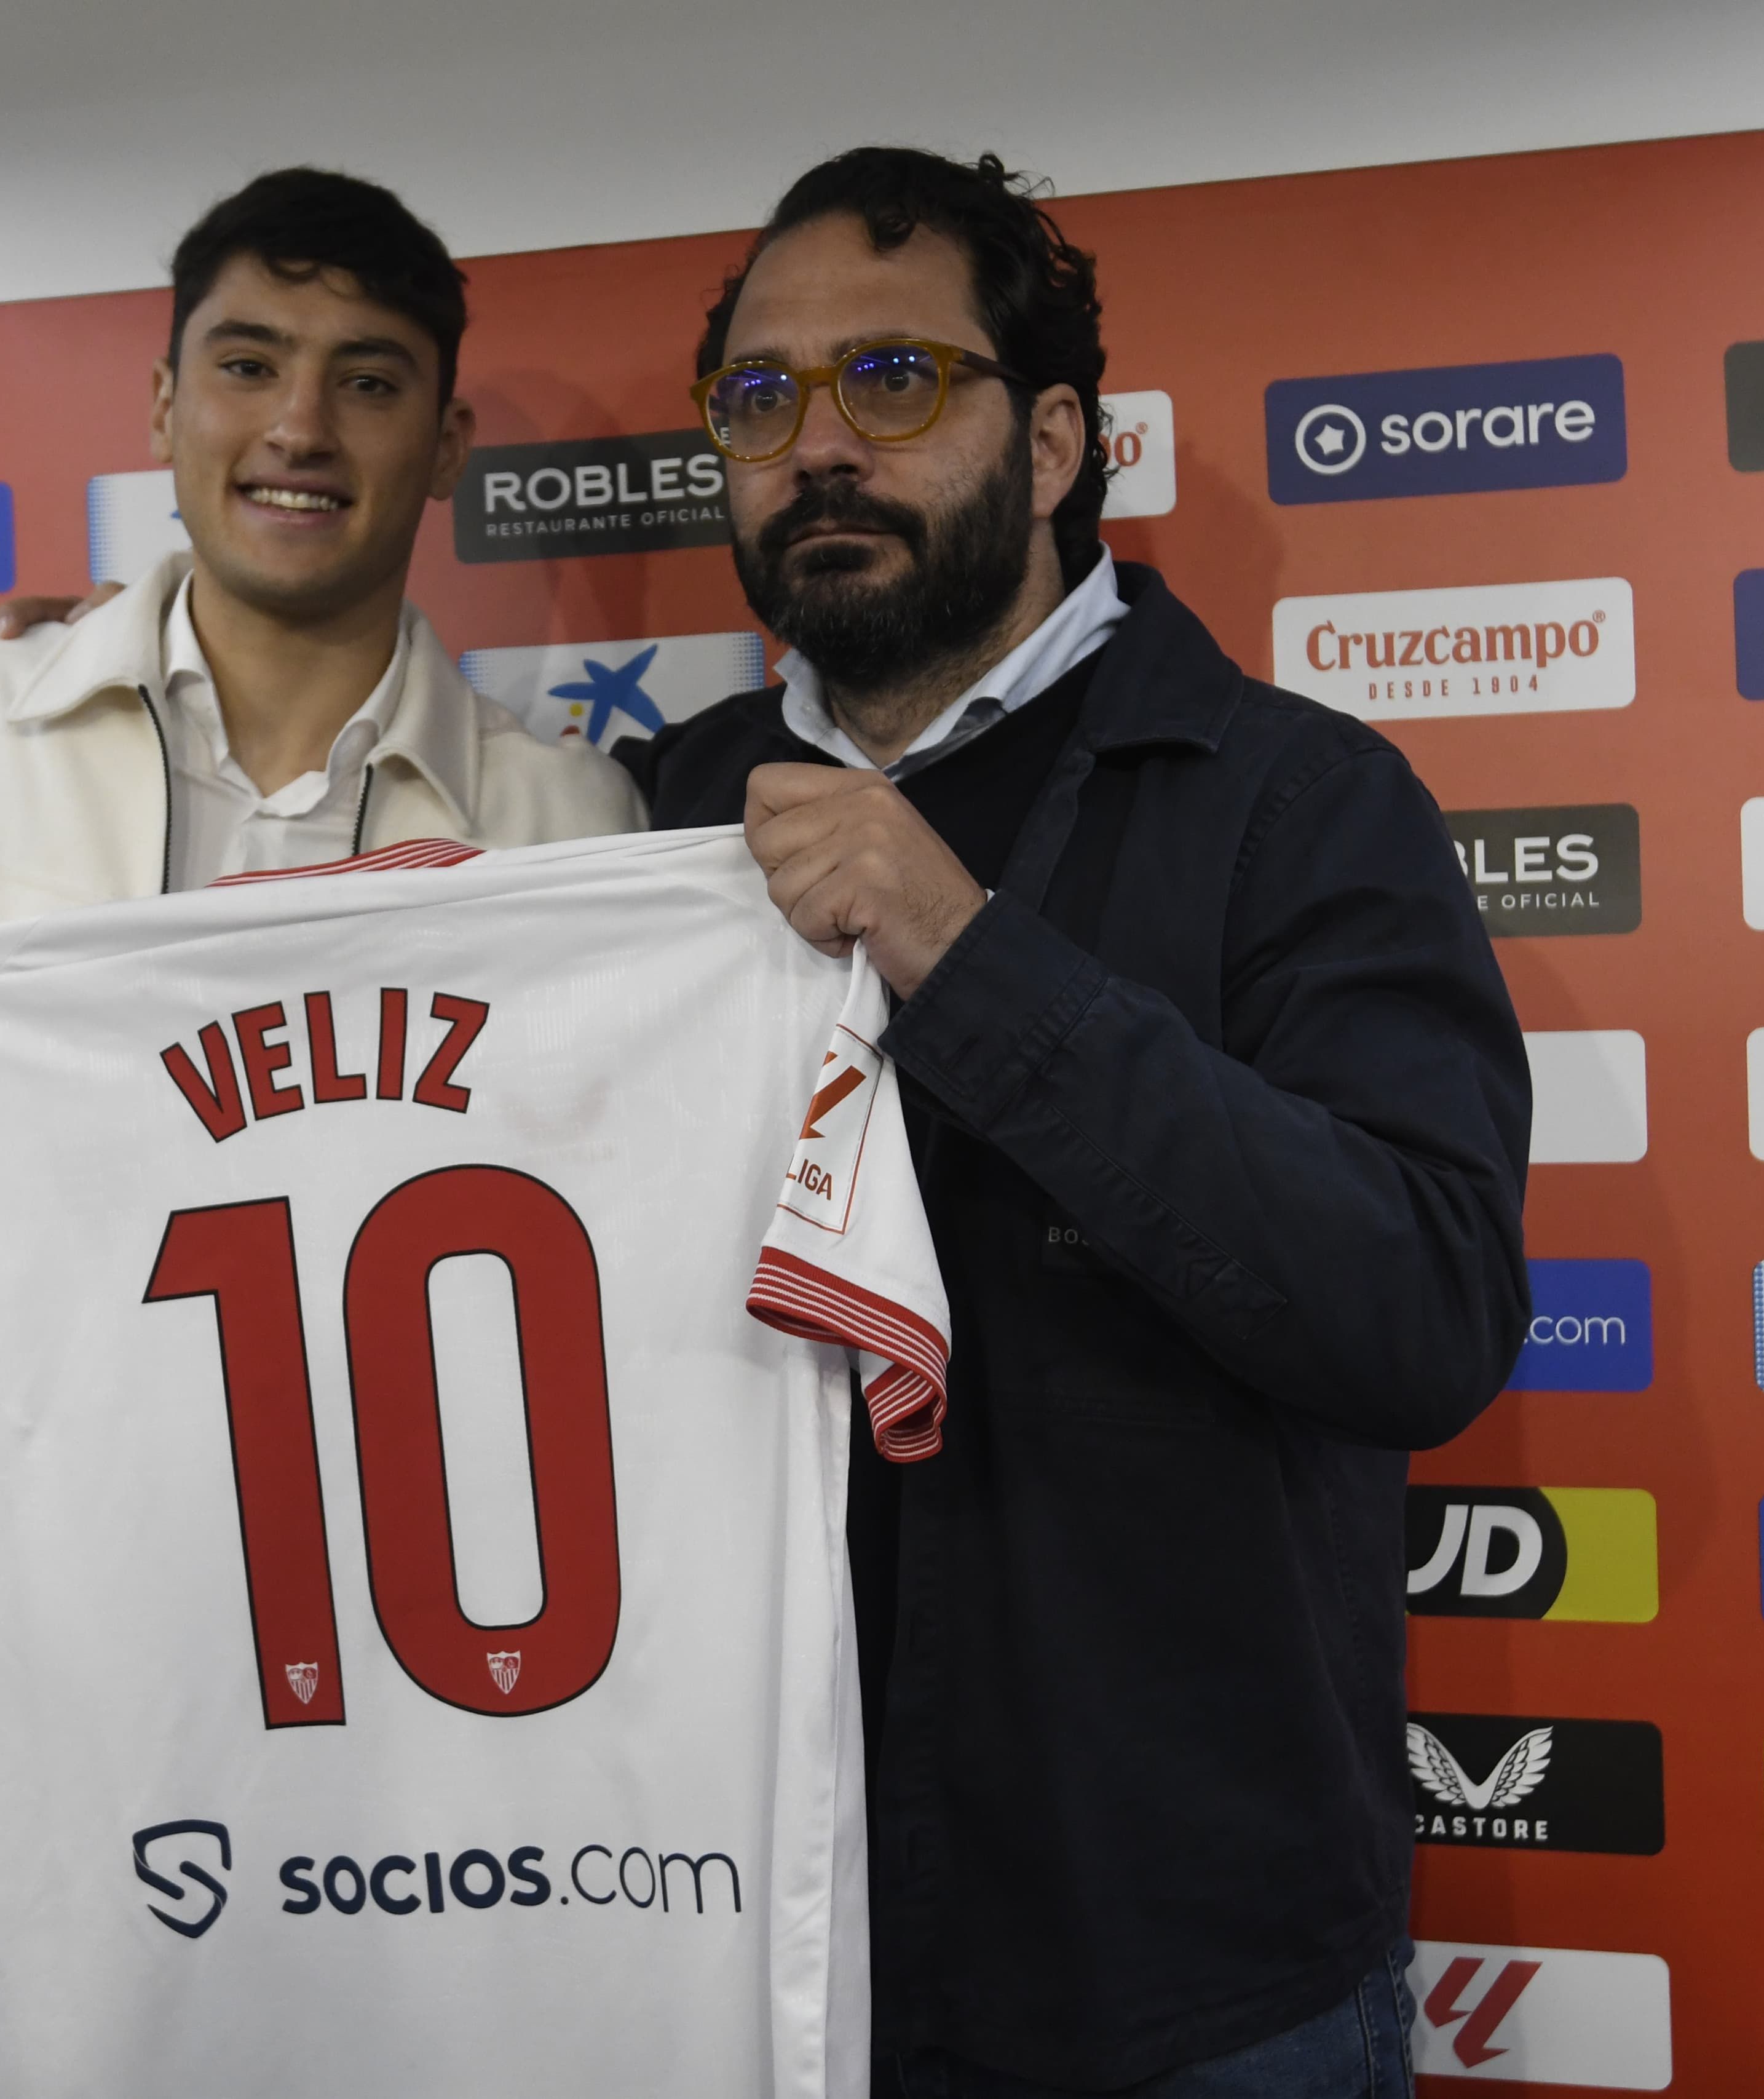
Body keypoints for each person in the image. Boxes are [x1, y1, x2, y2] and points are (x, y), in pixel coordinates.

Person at [0, 167, 641, 2095]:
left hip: (363, 1763)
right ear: (163, 406)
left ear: (447, 441)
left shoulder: (569, 821)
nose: (299, 430)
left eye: (368, 380)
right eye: (247, 365)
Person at [617, 149, 1533, 2097]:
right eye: (761, 402)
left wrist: (967, 950)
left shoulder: (1302, 802)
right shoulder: (646, 819)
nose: (817, 452)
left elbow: (1422, 1310)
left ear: (1049, 444)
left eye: (892, 382)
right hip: (730, 1951)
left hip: (1184, 1981)